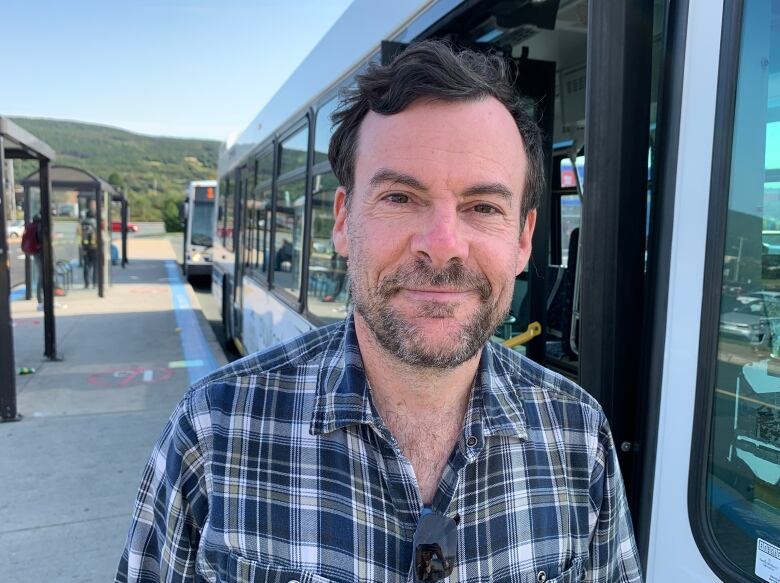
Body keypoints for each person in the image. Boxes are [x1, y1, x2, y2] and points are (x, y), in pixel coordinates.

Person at [117, 41, 642, 582]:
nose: (443, 245)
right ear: (343, 220)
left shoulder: (579, 438)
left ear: (524, 239)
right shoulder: (214, 430)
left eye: (483, 207)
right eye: (399, 197)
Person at [79, 210, 98, 289]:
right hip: (94, 247)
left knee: (86, 266)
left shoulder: (82, 224)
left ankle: (87, 283)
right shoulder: (95, 223)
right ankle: (94, 283)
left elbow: (79, 235)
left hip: (85, 247)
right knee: (95, 266)